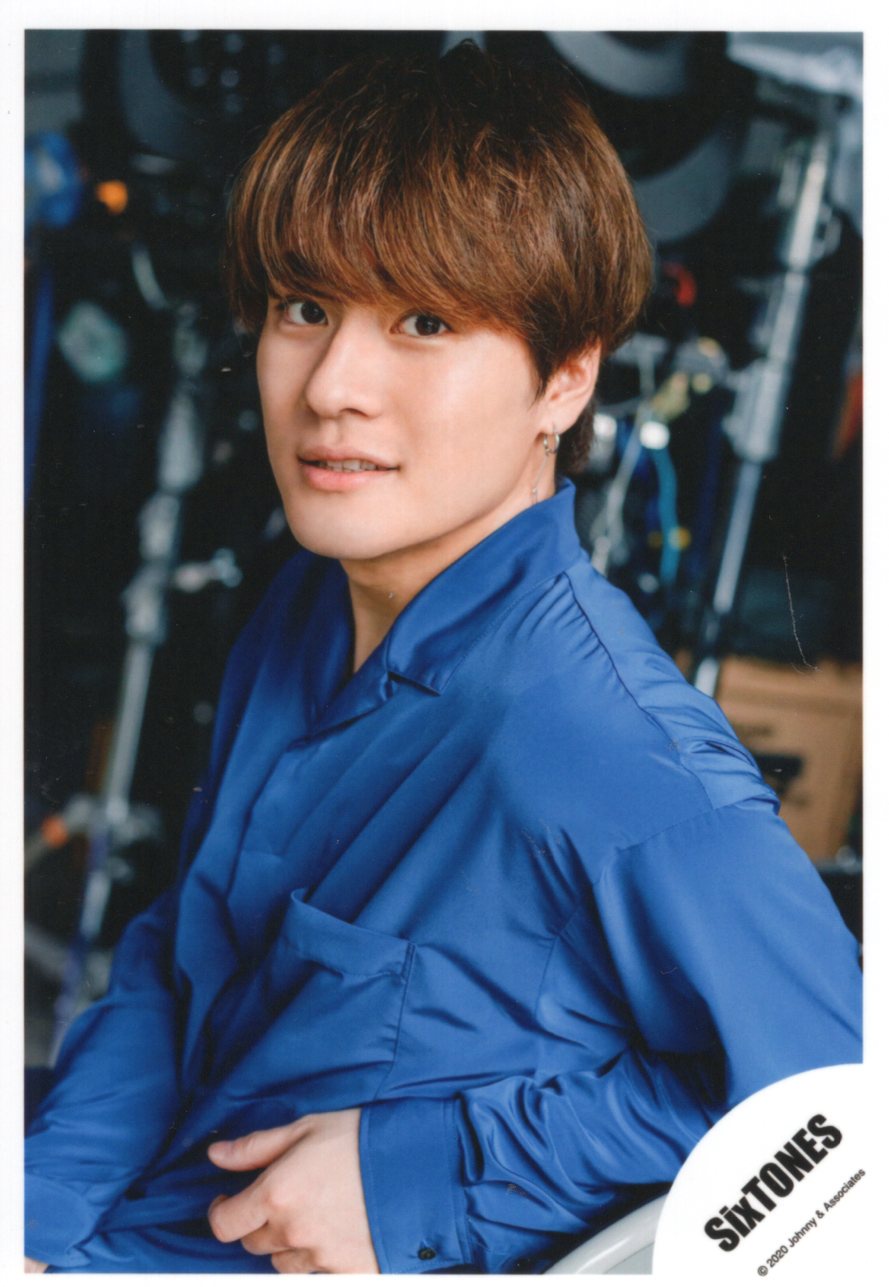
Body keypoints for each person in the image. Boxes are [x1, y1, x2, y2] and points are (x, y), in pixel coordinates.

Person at [25, 43, 861, 1274]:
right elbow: (183, 953)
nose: (333, 387)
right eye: (304, 308)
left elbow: (836, 1114)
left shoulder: (601, 745)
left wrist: (419, 1175)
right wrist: (37, 1213)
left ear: (565, 379)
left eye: (423, 322)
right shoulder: (303, 607)